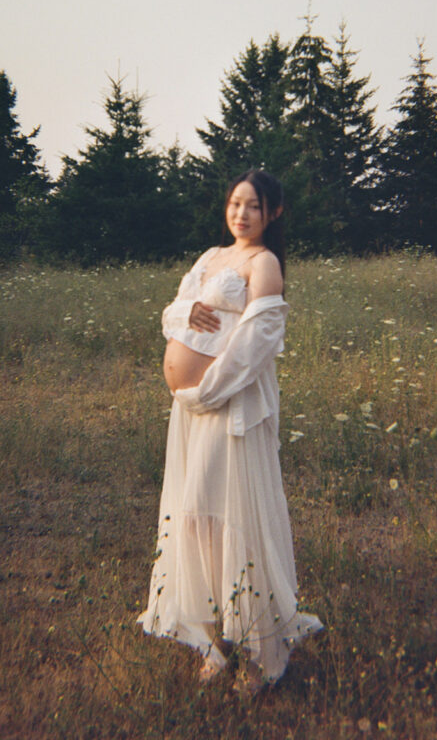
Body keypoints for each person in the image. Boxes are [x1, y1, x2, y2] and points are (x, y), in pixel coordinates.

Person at [137, 169, 322, 691]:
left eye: (254, 207)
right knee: (195, 518)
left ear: (273, 214)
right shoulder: (210, 257)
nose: (241, 214)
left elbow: (258, 340)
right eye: (235, 204)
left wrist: (208, 390)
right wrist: (183, 315)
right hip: (189, 412)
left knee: (233, 519)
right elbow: (173, 314)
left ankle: (265, 655)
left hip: (226, 406)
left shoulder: (264, 265)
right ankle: (216, 639)